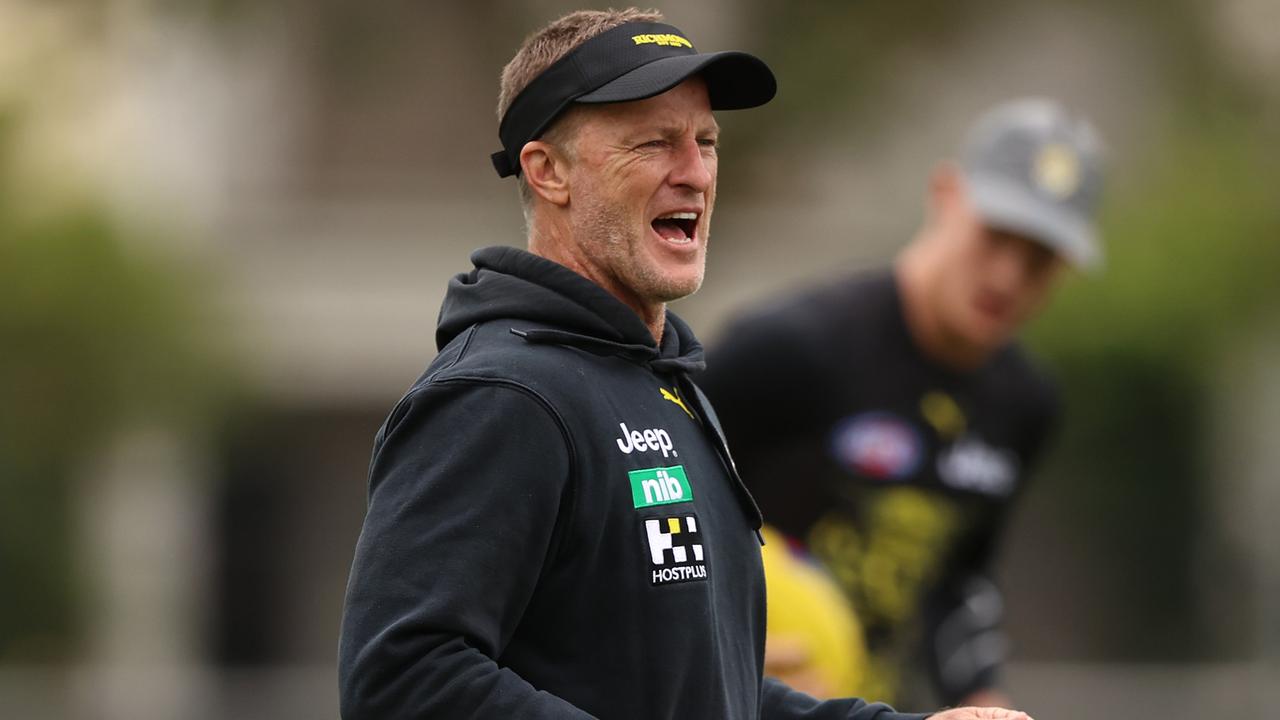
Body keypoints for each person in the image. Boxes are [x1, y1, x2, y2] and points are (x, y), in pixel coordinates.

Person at [338, 7, 1036, 719]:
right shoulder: (504, 395)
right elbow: (402, 678)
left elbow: (711, 692)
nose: (695, 172)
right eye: (655, 143)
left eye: (706, 141)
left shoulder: (667, 386)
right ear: (548, 172)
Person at [697, 98, 1105, 709]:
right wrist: (714, 642)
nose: (1008, 276)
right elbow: (644, 502)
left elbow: (959, 578)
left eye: (1040, 258)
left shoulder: (1026, 404)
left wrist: (979, 695)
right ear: (945, 194)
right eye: (997, 236)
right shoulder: (790, 348)